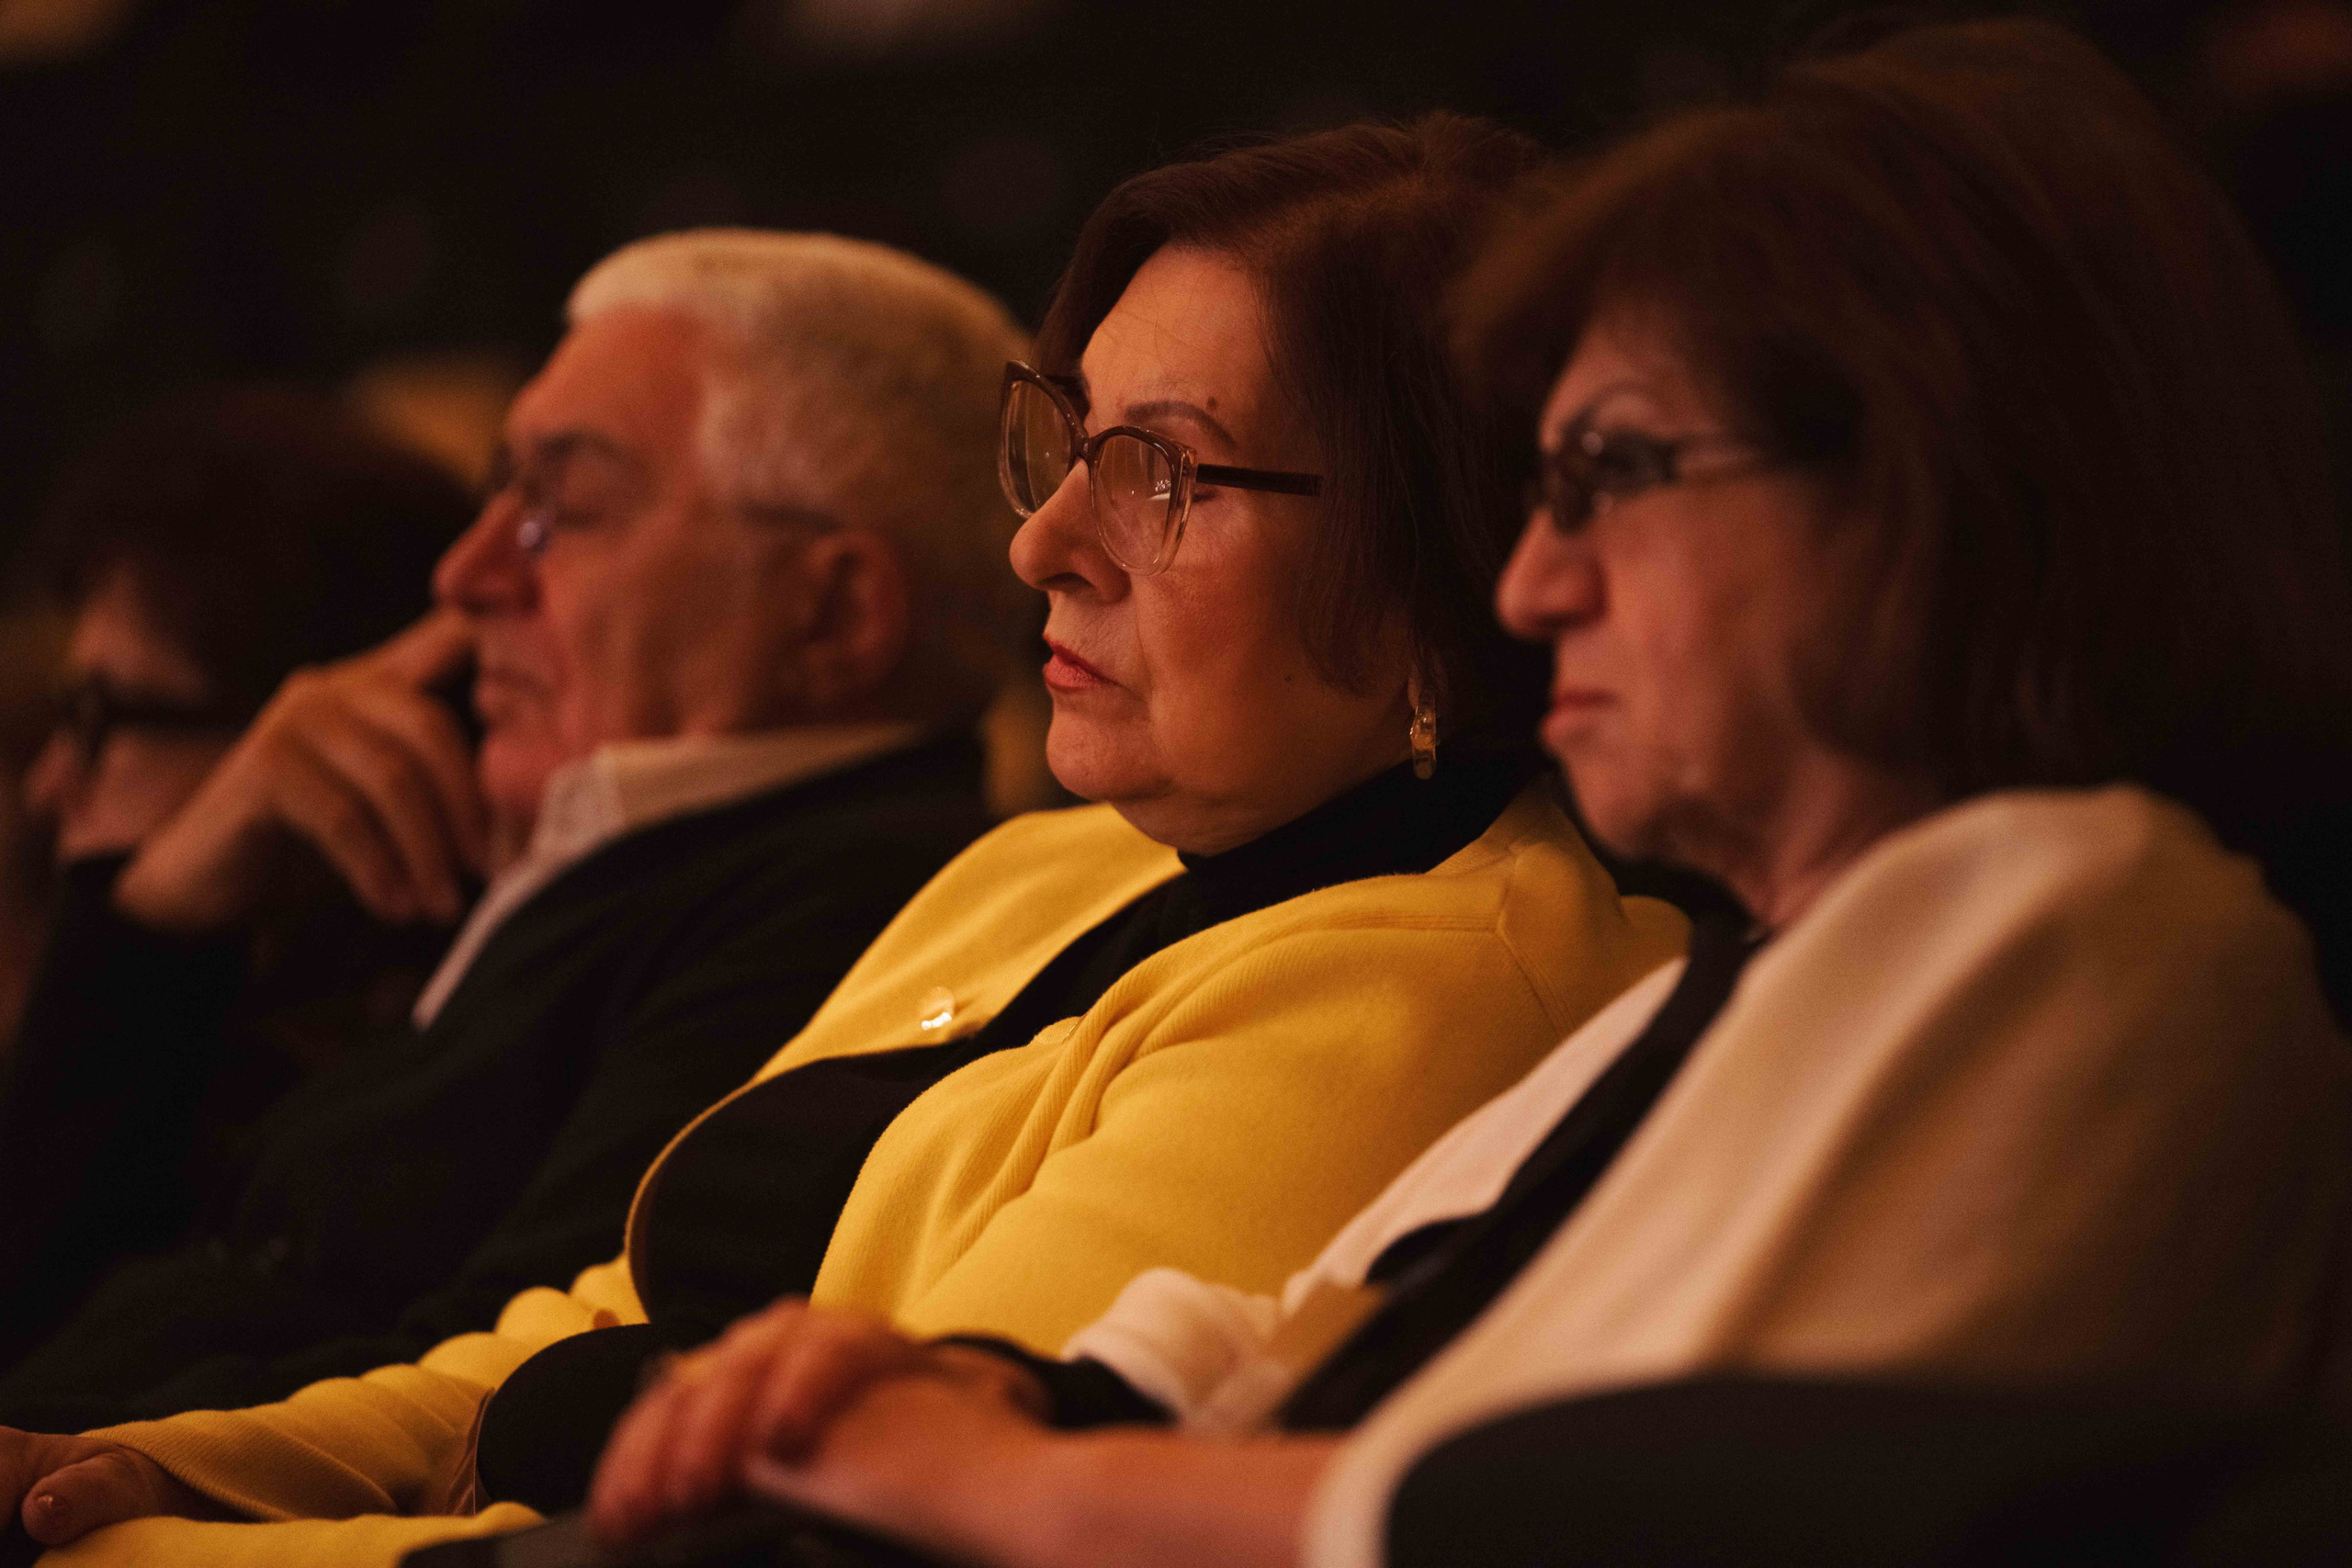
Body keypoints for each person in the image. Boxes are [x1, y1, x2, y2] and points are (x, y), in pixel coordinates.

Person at [562, 20, 2352, 1568]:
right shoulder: (1773, 956)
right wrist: (980, 1382)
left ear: (1929, 485)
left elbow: (1667, 1514)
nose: (1526, 584)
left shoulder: (2094, 917)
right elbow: (1303, 1319)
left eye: (1612, 474)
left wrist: (1015, 1474)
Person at [0, 118, 1687, 1565]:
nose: (1042, 542)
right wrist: (154, 1468)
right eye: (1066, 443)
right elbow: (580, 1322)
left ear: (1437, 567)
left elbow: (836, 1524)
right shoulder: (1048, 861)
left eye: (1160, 473)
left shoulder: (1437, 982)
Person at [0, 229, 1028, 1441]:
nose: (467, 571)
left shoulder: (856, 905)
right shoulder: (487, 854)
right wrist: (163, 914)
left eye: (561, 507)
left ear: (837, 609)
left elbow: (480, 1386)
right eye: (498, 490)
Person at [0, 386, 473, 1361]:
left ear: (323, 719)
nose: (49, 786)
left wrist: (138, 942)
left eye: (102, 716)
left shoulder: (388, 1077)